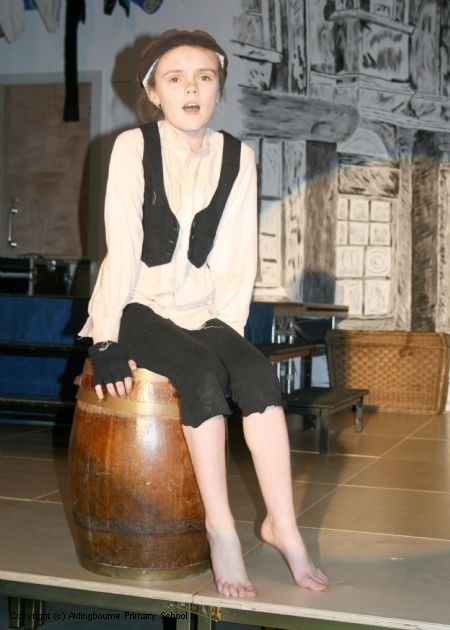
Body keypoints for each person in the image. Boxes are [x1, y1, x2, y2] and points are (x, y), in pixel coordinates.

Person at [79, 28, 328, 598]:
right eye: (176, 78)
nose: (191, 88)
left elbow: (239, 258)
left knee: (257, 374)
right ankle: (222, 531)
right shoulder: (133, 148)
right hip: (137, 303)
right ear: (153, 93)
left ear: (218, 88)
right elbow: (121, 248)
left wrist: (230, 338)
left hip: (203, 309)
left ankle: (282, 524)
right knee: (198, 372)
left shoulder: (238, 157)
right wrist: (106, 337)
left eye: (204, 77)